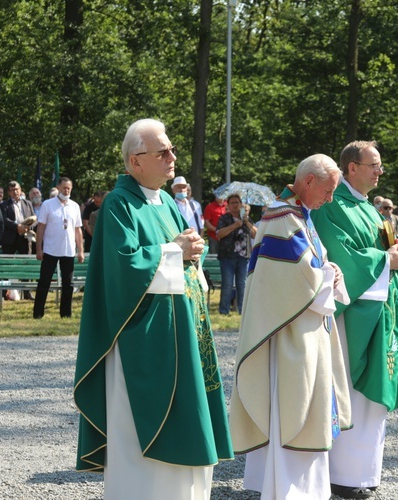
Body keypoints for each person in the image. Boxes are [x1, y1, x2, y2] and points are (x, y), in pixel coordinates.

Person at [73, 119, 233, 498]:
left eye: (172, 149)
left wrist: (192, 250)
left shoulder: (169, 203)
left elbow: (188, 250)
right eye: (162, 152)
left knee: (189, 420)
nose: (172, 157)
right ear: (135, 161)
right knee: (140, 435)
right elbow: (123, 267)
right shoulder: (118, 204)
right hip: (141, 338)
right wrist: (176, 250)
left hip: (182, 332)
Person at [229, 153, 352, 499]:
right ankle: (287, 492)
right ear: (309, 181)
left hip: (307, 330)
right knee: (291, 412)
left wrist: (332, 270)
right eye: (327, 192)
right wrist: (327, 275)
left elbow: (316, 265)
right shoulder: (283, 217)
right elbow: (298, 281)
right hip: (289, 335)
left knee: (306, 410)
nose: (329, 200)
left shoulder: (300, 216)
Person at [313, 140, 398, 499]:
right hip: (353, 315)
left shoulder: (373, 210)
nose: (380, 171)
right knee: (352, 393)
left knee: (373, 399)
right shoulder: (332, 206)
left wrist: (394, 255)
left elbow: (380, 251)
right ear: (351, 168)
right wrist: (385, 260)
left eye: (381, 165)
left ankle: (364, 472)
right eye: (373, 164)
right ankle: (343, 474)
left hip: (378, 310)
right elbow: (342, 256)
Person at [33, 177, 84, 319]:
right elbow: (41, 228)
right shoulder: (48, 205)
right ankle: (38, 313)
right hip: (50, 249)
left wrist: (80, 250)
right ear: (58, 188)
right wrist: (39, 248)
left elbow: (78, 230)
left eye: (69, 188)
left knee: (68, 284)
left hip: (68, 251)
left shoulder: (74, 206)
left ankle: (65, 314)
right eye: (64, 188)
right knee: (44, 282)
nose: (66, 191)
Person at [215, 194, 256, 315]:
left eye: (237, 202)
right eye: (232, 203)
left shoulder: (246, 218)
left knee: (242, 284)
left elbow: (256, 234)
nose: (235, 205)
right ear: (228, 204)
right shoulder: (224, 218)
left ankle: (242, 311)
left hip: (243, 256)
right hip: (227, 256)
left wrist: (247, 222)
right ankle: (224, 310)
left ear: (241, 204)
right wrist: (235, 225)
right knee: (227, 284)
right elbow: (219, 234)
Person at [0, 181, 36, 256]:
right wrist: (17, 227)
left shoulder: (28, 203)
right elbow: (4, 220)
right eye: (12, 190)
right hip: (9, 239)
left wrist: (28, 227)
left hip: (24, 238)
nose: (15, 192)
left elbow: (34, 219)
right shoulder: (3, 205)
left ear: (20, 190)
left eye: (17, 189)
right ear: (9, 192)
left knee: (25, 262)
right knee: (8, 262)